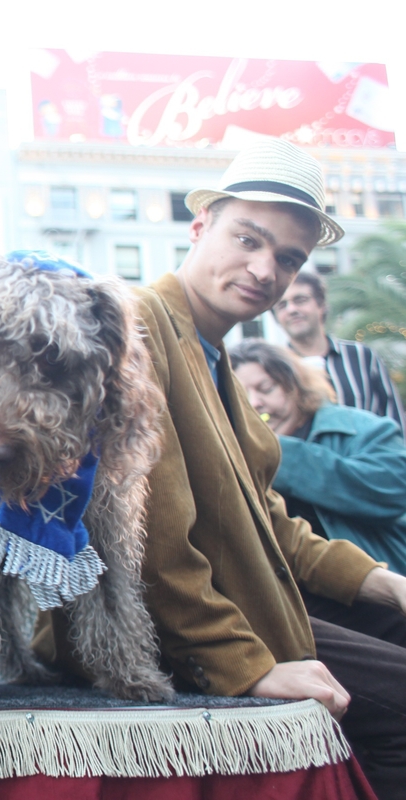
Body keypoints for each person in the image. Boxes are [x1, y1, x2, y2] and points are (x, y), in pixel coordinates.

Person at [33, 138, 406, 799]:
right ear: (200, 227)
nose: (265, 269)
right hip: (151, 628)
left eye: (288, 259)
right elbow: (143, 538)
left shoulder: (216, 356)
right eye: (248, 240)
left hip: (233, 597)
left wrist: (384, 582)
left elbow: (269, 525)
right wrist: (247, 668)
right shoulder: (139, 322)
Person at [232, 339, 406, 576]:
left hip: (380, 588)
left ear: (295, 385)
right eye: (242, 397)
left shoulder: (365, 429)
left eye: (266, 388)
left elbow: (393, 494)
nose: (255, 403)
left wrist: (275, 451)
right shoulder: (238, 452)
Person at [272, 270, 405, 436]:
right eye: (282, 305)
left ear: (321, 305)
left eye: (300, 300)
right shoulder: (276, 370)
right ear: (276, 318)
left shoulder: (361, 357)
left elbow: (394, 416)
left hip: (369, 459)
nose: (292, 309)